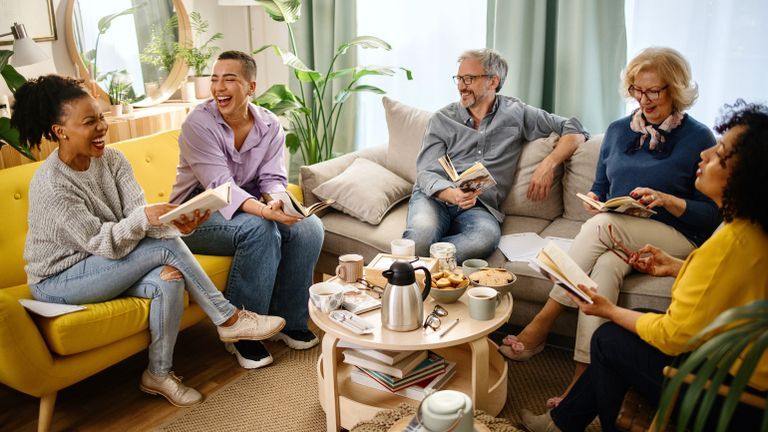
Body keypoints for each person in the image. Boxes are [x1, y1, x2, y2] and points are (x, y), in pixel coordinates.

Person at [13, 75, 286, 407]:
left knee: (167, 280)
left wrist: (180, 224)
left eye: (101, 117)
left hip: (104, 264)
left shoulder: (113, 160)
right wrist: (150, 221)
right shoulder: (53, 185)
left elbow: (137, 216)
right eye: (90, 122)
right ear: (61, 131)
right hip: (59, 280)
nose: (101, 127)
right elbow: (105, 243)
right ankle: (228, 319)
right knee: (162, 250)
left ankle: (158, 374)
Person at [520, 100, 768, 432]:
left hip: (726, 391)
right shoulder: (750, 228)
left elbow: (672, 336)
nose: (706, 156)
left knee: (610, 339)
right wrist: (676, 267)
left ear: (746, 176)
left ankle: (579, 410)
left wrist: (608, 310)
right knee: (608, 268)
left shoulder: (729, 241)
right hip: (734, 369)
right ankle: (563, 422)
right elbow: (730, 284)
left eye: (719, 154)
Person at [502, 47, 721, 407]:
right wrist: (594, 200)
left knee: (603, 227)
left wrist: (668, 201)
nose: (644, 99)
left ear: (675, 90)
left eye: (654, 91)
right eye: (637, 89)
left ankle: (543, 320)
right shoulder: (618, 131)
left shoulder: (699, 138)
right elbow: (601, 188)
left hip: (676, 236)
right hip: (618, 231)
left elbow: (711, 216)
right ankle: (580, 386)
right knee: (602, 271)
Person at [169, 51, 325, 369]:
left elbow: (272, 179)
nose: (219, 87)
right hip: (194, 218)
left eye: (230, 79)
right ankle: (242, 332)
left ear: (250, 86)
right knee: (259, 228)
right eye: (214, 79)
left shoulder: (269, 125)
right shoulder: (198, 124)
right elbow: (220, 187)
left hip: (246, 209)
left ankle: (290, 319)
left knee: (309, 227)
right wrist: (266, 213)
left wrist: (277, 201)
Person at [403, 48, 589, 264]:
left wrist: (548, 164)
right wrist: (452, 194)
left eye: (469, 79)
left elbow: (575, 129)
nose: (461, 86)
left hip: (480, 207)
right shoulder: (442, 119)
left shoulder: (516, 113)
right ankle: (425, 272)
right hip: (435, 198)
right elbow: (425, 172)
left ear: (493, 82)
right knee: (422, 234)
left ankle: (421, 269)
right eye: (459, 78)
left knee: (484, 238)